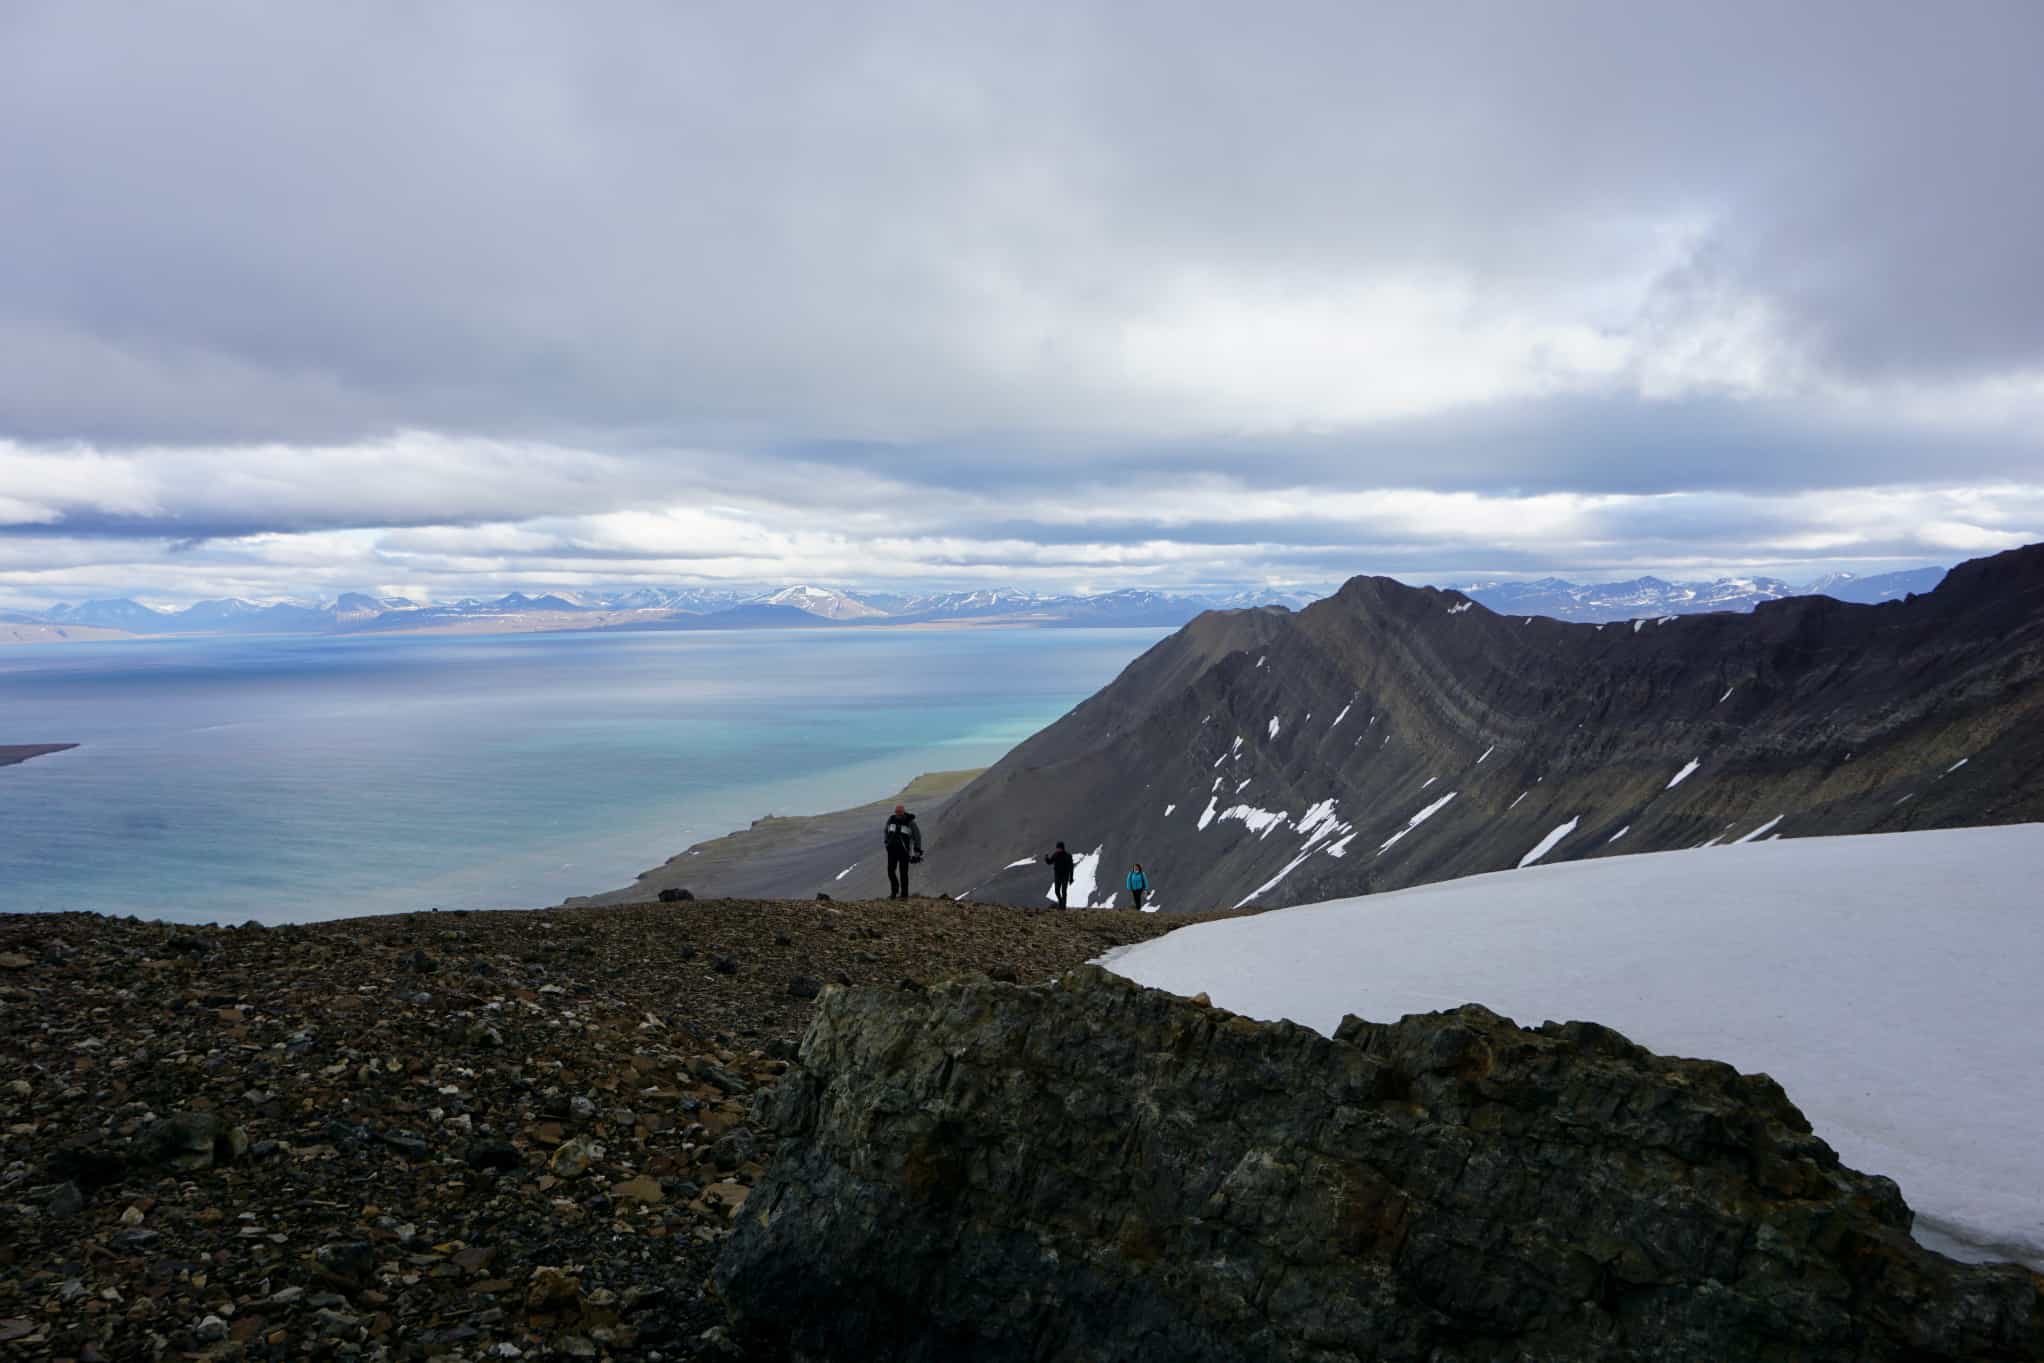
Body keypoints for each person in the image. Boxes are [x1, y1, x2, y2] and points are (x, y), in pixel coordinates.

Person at [883, 804, 923, 898]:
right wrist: (886, 842)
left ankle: (904, 894)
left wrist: (917, 851)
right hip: (892, 850)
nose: (898, 814)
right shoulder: (891, 820)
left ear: (903, 812)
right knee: (890, 871)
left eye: (900, 812)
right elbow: (886, 830)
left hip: (904, 852)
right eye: (897, 812)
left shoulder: (910, 822)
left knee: (903, 873)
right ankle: (894, 891)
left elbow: (917, 836)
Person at [1044, 841, 1075, 909]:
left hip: (1065, 875)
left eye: (1059, 848)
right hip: (1057, 875)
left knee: (1064, 891)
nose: (1057, 849)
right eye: (1057, 848)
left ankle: (1063, 906)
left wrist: (1071, 878)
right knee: (1057, 890)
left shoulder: (1068, 856)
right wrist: (1046, 858)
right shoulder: (1055, 854)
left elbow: (1071, 867)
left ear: (1062, 848)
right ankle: (1061, 901)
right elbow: (1050, 862)